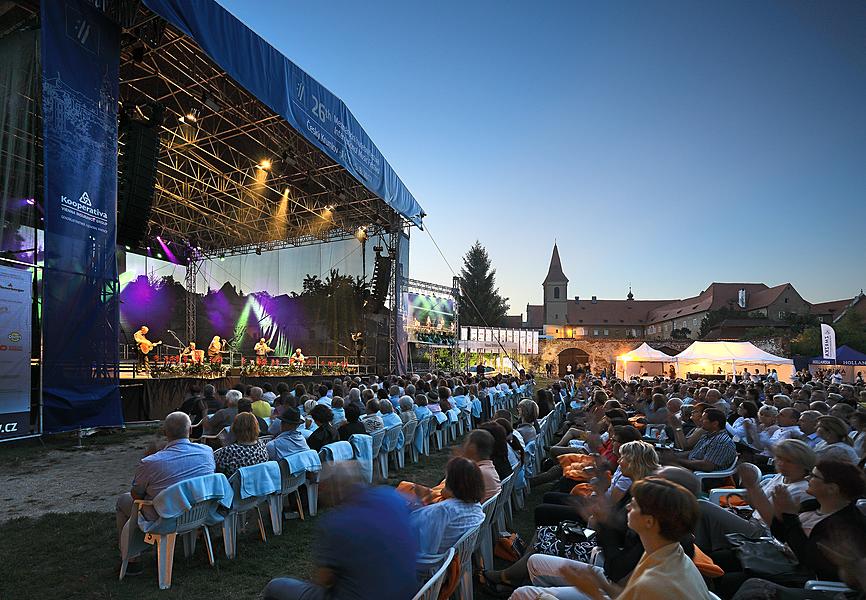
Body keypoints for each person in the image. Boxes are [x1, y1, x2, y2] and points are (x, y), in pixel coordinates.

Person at [510, 477, 712, 600]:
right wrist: (601, 585)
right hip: (615, 587)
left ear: (650, 521)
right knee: (535, 563)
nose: (628, 508)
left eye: (635, 504)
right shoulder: (664, 548)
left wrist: (594, 591)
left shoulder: (657, 580)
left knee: (525, 595)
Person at [263, 463, 418, 600]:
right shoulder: (392, 496)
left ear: (335, 489)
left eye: (323, 488)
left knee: (275, 587)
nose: (321, 493)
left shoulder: (337, 523)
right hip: (408, 593)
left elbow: (323, 581)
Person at [115, 412, 214, 573]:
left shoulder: (150, 462)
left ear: (165, 432)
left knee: (124, 501)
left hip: (165, 518)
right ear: (189, 430)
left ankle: (131, 560)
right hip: (198, 511)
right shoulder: (206, 452)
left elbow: (136, 496)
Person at [409, 457, 485, 555]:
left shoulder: (444, 510)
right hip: (451, 557)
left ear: (451, 483)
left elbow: (426, 548)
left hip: (424, 560)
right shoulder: (476, 507)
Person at [663, 408, 736, 472]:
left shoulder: (721, 441)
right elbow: (693, 453)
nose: (700, 420)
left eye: (704, 419)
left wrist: (677, 461)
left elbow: (707, 466)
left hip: (705, 477)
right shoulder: (707, 435)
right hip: (693, 470)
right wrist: (674, 456)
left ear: (715, 424)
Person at [213, 412, 269, 477]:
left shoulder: (229, 451)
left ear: (235, 428)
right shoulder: (262, 446)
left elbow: (218, 474)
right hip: (257, 483)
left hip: (234, 486)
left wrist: (226, 443)